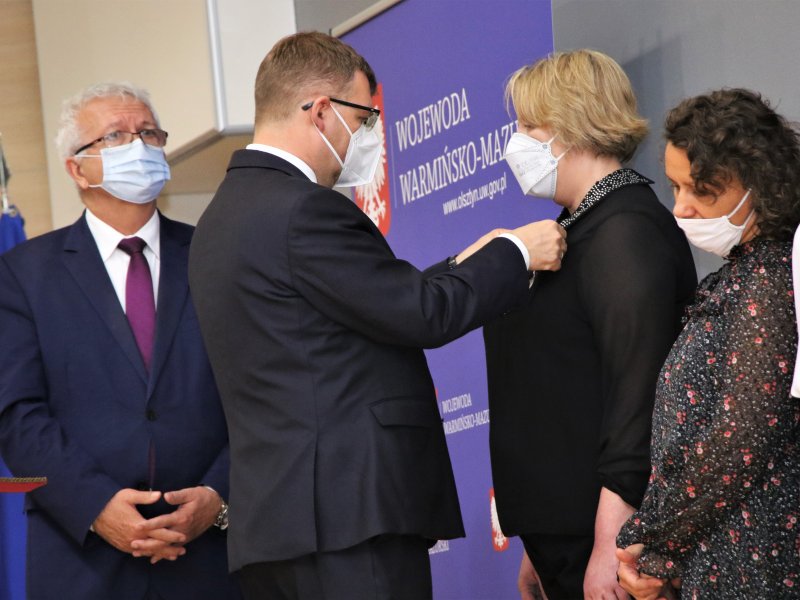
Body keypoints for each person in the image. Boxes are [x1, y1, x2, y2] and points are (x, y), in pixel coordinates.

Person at [188, 31, 567, 600]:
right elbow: (421, 314)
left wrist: (466, 261)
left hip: (279, 529)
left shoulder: (218, 222)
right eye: (364, 119)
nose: (371, 137)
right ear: (320, 111)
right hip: (349, 522)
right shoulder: (303, 208)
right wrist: (516, 252)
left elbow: (366, 302)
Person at [0, 82, 240, 600]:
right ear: (76, 169)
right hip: (81, 561)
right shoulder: (22, 274)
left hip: (210, 560)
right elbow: (17, 415)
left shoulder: (218, 257)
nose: (139, 146)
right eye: (115, 136)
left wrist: (217, 495)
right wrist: (96, 506)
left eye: (149, 133)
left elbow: (260, 393)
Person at [484, 49, 698, 600]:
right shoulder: (574, 230)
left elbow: (638, 391)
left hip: (603, 537)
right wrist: (537, 541)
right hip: (560, 533)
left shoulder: (625, 231)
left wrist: (610, 541)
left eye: (528, 127)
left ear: (572, 126)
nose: (516, 143)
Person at [615, 88, 800, 599]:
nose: (682, 208)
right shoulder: (739, 275)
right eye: (676, 187)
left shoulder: (768, 278)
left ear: (759, 182)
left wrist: (655, 542)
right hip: (717, 547)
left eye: (702, 190)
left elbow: (743, 436)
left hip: (754, 552)